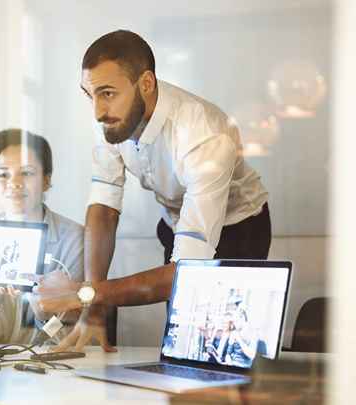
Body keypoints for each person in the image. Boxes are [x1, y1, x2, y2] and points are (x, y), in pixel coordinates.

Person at [36, 29, 271, 352]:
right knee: (180, 335)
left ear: (146, 84)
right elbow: (104, 207)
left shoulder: (205, 135)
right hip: (176, 223)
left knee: (221, 346)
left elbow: (188, 271)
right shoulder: (108, 115)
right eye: (89, 95)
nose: (97, 112)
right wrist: (92, 309)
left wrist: (85, 294)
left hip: (240, 229)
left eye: (106, 93)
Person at [0, 129, 84, 344]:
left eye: (26, 173)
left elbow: (70, 334)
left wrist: (44, 313)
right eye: (3, 174)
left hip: (52, 367)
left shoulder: (74, 240)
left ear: (46, 180)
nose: (14, 183)